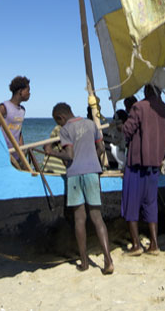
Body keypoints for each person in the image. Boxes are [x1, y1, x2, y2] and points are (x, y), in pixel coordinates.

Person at [46, 102, 114, 274]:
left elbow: (69, 156)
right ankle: (108, 260)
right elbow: (100, 148)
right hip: (93, 173)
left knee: (80, 219)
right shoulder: (91, 124)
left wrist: (50, 152)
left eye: (58, 121)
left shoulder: (65, 130)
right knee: (97, 217)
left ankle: (84, 262)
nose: (59, 124)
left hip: (75, 175)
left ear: (61, 117)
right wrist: (91, 157)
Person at [120, 84, 165, 255]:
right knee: (151, 204)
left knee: (131, 204)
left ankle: (136, 245)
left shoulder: (139, 107)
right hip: (155, 165)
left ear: (147, 91)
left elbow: (127, 132)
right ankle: (154, 244)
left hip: (137, 164)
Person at [0, 76, 31, 166]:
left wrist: (22, 150)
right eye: (28, 90)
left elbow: (19, 131)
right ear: (20, 91)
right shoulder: (3, 108)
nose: (29, 93)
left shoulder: (22, 110)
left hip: (16, 155)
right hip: (3, 154)